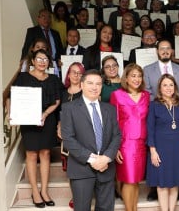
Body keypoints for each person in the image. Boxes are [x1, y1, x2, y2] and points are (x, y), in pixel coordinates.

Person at [7, 49, 62, 208]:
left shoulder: (52, 78)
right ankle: (35, 191)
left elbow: (57, 101)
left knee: (45, 153)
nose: (42, 61)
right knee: (31, 154)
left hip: (47, 119)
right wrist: (12, 115)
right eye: (39, 58)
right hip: (28, 120)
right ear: (32, 61)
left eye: (45, 59)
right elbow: (12, 96)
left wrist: (44, 114)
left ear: (48, 62)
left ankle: (44, 191)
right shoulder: (23, 77)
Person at [61, 69, 121, 211]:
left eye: (98, 84)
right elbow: (68, 139)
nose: (94, 87)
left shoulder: (110, 109)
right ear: (81, 85)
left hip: (106, 169)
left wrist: (106, 158)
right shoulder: (69, 108)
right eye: (90, 83)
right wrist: (93, 159)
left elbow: (117, 135)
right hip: (81, 169)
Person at [110, 64, 150, 211]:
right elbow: (113, 122)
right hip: (125, 144)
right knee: (128, 179)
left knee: (136, 181)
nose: (137, 79)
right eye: (133, 76)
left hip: (141, 144)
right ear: (126, 78)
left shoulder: (146, 95)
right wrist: (116, 148)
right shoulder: (117, 95)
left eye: (139, 76)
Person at [146, 74, 179, 211]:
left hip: (178, 147)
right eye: (165, 85)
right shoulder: (154, 105)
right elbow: (150, 129)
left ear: (175, 87)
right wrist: (152, 150)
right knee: (162, 183)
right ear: (160, 87)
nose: (168, 88)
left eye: (171, 85)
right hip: (160, 148)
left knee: (175, 181)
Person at [56, 62, 85, 209]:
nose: (76, 75)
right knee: (71, 169)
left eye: (79, 73)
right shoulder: (63, 92)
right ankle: (75, 195)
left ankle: (84, 195)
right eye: (73, 72)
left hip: (84, 136)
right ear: (68, 74)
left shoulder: (86, 91)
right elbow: (60, 114)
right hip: (67, 137)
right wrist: (59, 126)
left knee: (83, 167)